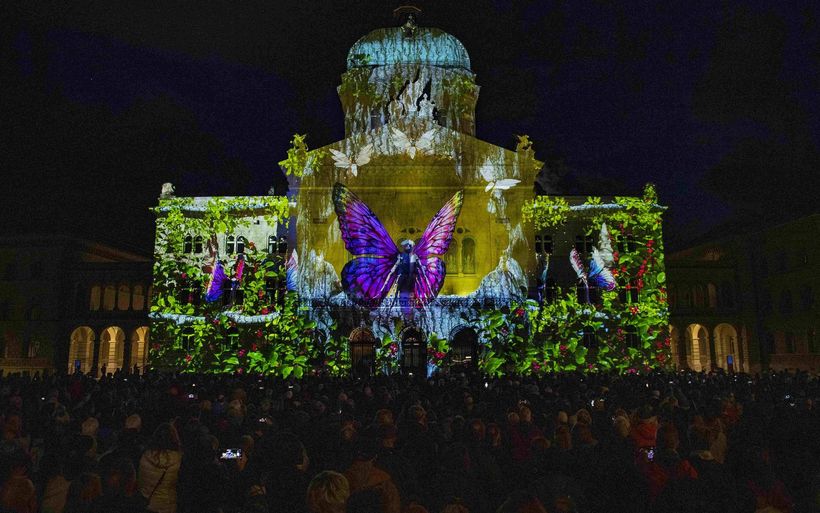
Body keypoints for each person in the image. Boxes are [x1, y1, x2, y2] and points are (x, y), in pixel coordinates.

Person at [138, 423, 182, 513]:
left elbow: (140, 481)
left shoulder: (145, 457)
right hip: (167, 506)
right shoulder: (178, 461)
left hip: (147, 504)